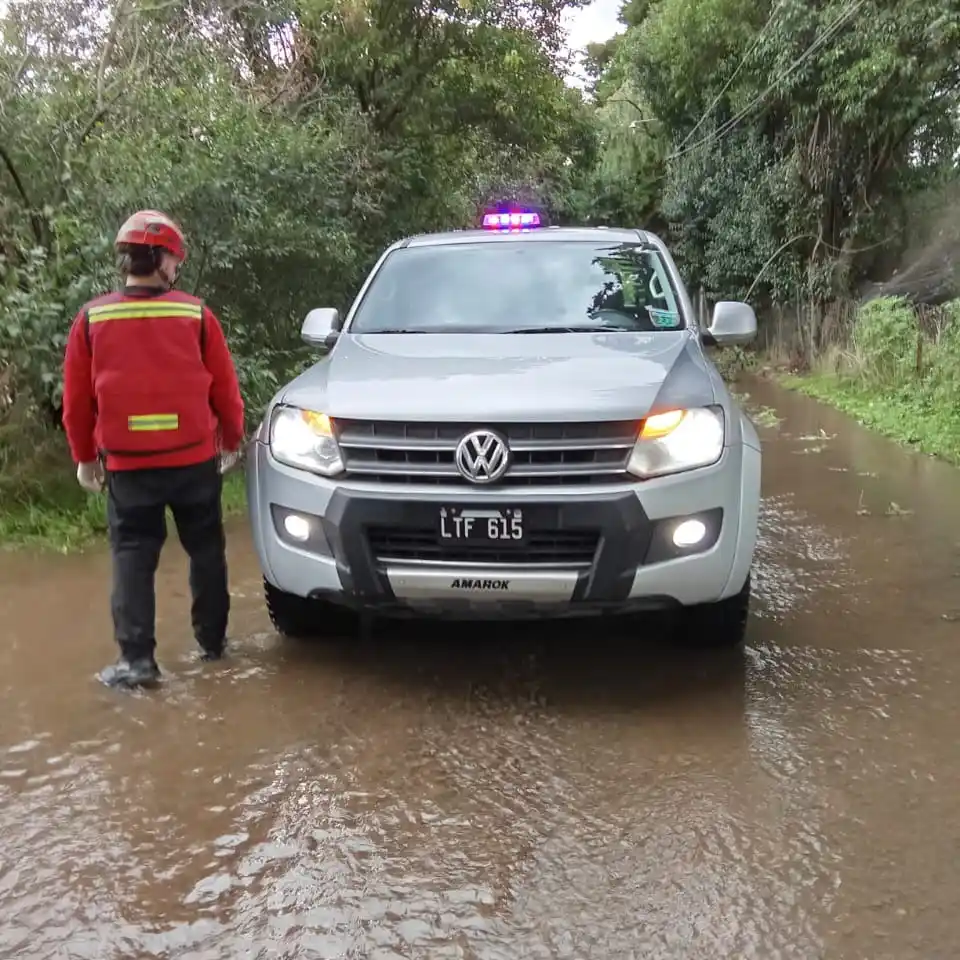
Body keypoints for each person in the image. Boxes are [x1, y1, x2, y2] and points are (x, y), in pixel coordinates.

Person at [62, 209, 245, 689]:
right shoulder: (195, 315)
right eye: (175, 258)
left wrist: (84, 457)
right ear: (161, 259)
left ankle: (137, 662)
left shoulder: (92, 319)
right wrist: (231, 439)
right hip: (193, 464)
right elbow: (226, 391)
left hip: (129, 469)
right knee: (206, 551)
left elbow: (77, 403)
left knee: (132, 557)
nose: (177, 268)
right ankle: (213, 647)